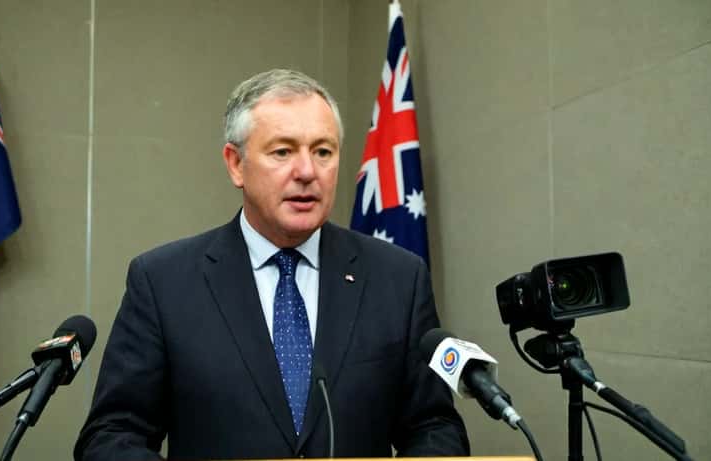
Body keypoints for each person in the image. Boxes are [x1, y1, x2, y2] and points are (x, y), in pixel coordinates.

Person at [74, 69, 469, 460]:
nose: (307, 172)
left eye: (323, 152)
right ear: (236, 164)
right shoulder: (163, 283)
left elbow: (434, 427)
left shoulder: (398, 277)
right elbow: (112, 436)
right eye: (283, 151)